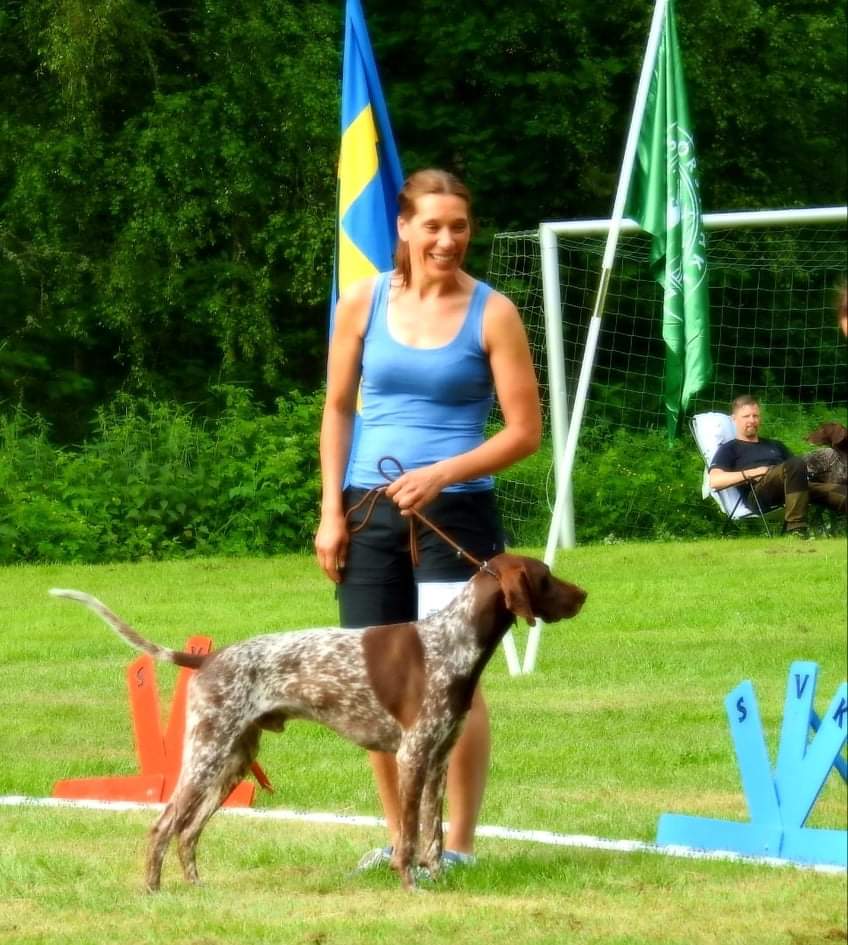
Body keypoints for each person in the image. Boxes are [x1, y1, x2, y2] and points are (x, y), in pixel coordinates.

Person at [314, 169, 541, 872]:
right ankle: (403, 841)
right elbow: (337, 409)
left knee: (453, 680)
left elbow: (525, 432)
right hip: (368, 509)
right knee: (382, 680)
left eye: (459, 226)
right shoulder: (362, 301)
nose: (447, 239)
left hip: (458, 516)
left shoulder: (494, 312)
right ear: (405, 228)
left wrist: (442, 473)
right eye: (433, 226)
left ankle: (459, 844)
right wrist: (331, 512)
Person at [708, 394, 847, 537]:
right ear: (734, 419)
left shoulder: (775, 445)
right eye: (746, 416)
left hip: (793, 488)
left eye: (755, 416)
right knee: (795, 463)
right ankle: (796, 529)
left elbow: (798, 469)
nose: (752, 420)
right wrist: (755, 472)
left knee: (841, 491)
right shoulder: (729, 449)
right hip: (759, 493)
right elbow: (715, 481)